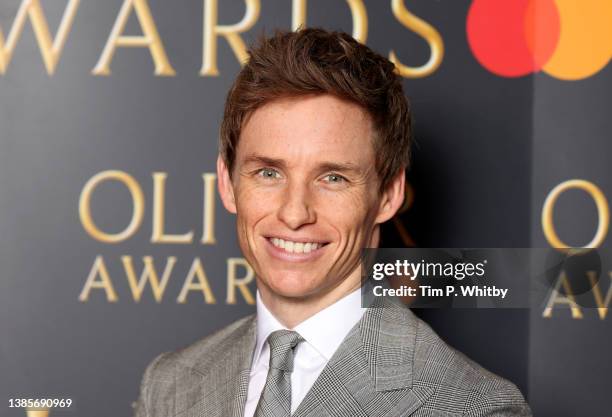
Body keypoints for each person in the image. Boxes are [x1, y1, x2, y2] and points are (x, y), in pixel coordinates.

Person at [134, 28, 531, 417]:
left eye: (333, 178)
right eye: (269, 173)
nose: (294, 213)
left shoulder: (473, 407)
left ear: (389, 195)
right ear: (227, 182)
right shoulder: (170, 385)